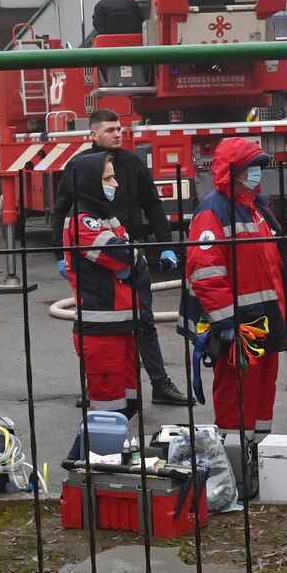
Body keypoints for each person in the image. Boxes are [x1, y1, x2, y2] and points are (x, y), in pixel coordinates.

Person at [50, 109, 192, 406]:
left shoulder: (132, 163)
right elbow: (61, 209)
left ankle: (158, 383)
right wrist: (61, 254)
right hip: (99, 259)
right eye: (110, 129)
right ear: (93, 134)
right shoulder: (79, 167)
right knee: (98, 326)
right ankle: (97, 384)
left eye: (120, 129)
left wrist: (166, 244)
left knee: (143, 323)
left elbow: (152, 204)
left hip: (128, 247)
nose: (118, 134)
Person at [179, 136, 287, 442]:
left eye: (258, 167)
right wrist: (227, 321)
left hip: (263, 321)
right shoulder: (213, 211)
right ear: (235, 171)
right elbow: (205, 273)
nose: (257, 174)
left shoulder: (255, 207)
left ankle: (259, 453)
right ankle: (235, 464)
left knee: (263, 393)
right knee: (236, 397)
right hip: (240, 325)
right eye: (251, 167)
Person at [61, 152, 143, 441]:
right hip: (101, 328)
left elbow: (130, 254)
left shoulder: (103, 216)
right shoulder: (83, 221)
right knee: (107, 414)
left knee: (128, 404)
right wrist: (131, 255)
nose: (116, 184)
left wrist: (131, 255)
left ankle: (107, 463)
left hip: (121, 324)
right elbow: (123, 255)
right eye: (108, 178)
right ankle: (95, 470)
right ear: (89, 183)